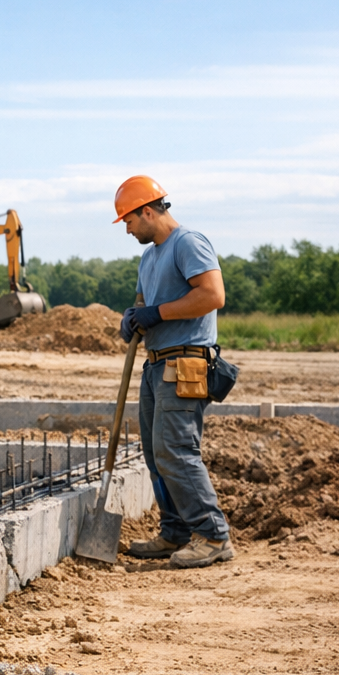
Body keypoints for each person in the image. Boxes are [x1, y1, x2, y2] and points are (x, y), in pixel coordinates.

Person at [114, 175, 233, 569]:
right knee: (155, 452)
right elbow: (148, 305)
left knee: (176, 451)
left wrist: (156, 313)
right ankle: (176, 532)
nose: (128, 230)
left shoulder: (188, 243)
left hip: (185, 363)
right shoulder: (149, 257)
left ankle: (213, 535)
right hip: (156, 364)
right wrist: (135, 318)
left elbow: (212, 295)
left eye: (129, 221)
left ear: (148, 211)